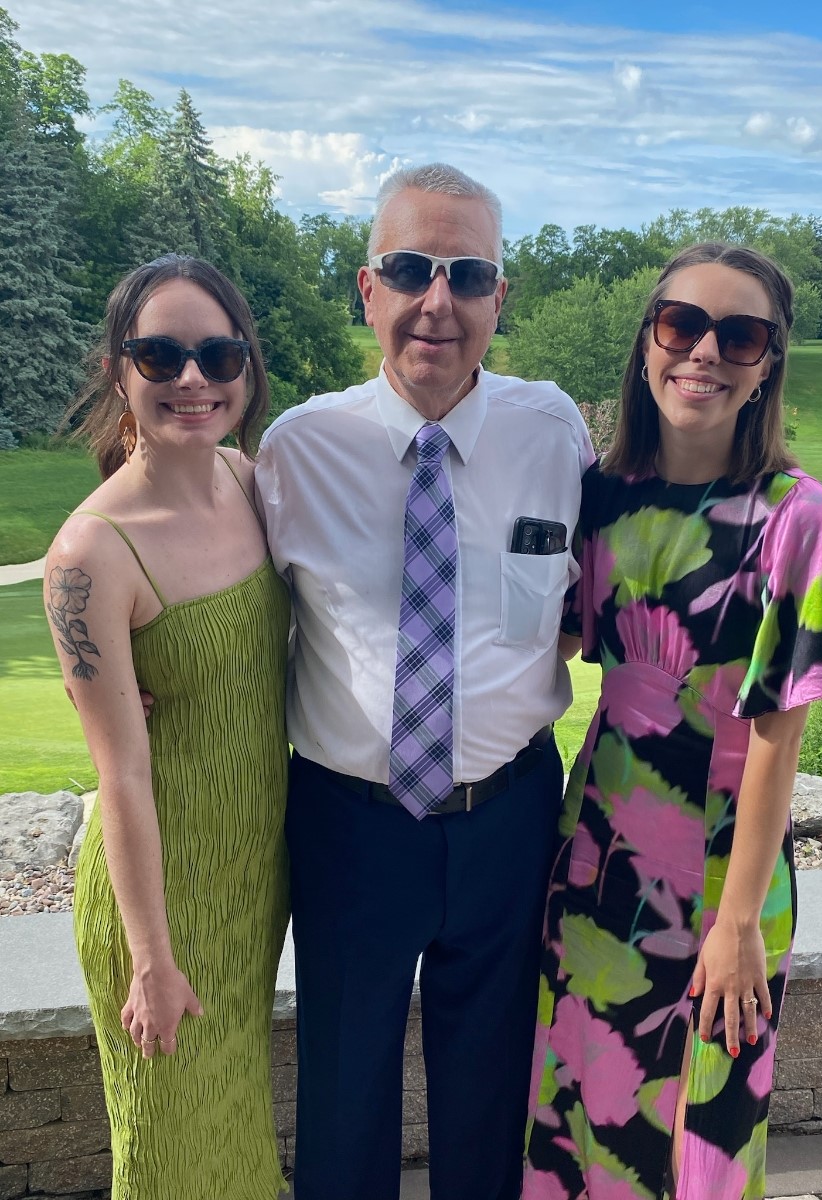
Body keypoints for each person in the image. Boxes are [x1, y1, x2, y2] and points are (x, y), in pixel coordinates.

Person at [255, 163, 594, 1200]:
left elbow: (603, 602)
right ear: (369, 289)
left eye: (468, 273)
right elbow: (220, 612)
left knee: (492, 1097)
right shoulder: (295, 451)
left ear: (503, 297)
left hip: (509, 814)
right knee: (345, 1099)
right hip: (350, 824)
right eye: (411, 268)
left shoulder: (556, 435)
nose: (437, 301)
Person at [522, 243, 822, 1200]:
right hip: (593, 856)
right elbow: (539, 645)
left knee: (703, 1132)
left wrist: (739, 924)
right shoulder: (600, 496)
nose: (705, 352)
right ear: (647, 345)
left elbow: (775, 735)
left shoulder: (797, 520)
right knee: (581, 1105)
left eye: (741, 334)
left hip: (724, 879)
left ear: (767, 366)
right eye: (682, 324)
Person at [44, 255, 290, 1200]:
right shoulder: (92, 550)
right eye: (161, 355)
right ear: (120, 372)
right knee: (168, 1155)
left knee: (233, 1131)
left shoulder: (246, 479)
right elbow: (123, 777)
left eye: (218, 353)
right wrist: (150, 962)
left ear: (245, 369)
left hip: (246, 881)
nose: (194, 377)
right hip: (160, 900)